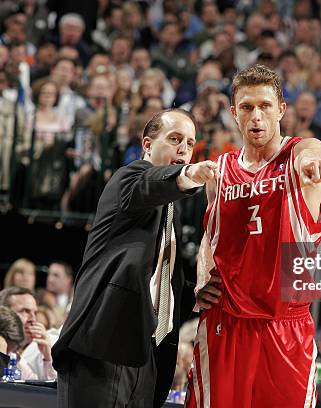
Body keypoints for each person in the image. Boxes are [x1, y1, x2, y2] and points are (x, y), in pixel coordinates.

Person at [186, 64, 321, 407]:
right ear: (234, 113)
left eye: (265, 106)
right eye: (248, 107)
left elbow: (313, 149)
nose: (257, 117)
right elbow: (211, 238)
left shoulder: (297, 158)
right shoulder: (218, 172)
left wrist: (316, 157)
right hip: (226, 321)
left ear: (281, 110)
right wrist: (201, 281)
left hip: (286, 325)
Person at [52, 108, 218, 408]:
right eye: (175, 138)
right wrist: (188, 174)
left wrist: (193, 293)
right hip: (103, 346)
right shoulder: (127, 179)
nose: (184, 149)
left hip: (147, 354)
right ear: (147, 144)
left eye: (190, 143)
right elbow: (149, 185)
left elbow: (159, 278)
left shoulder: (171, 209)